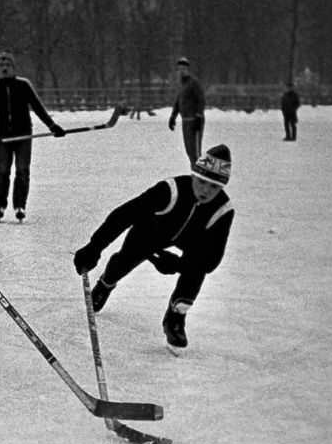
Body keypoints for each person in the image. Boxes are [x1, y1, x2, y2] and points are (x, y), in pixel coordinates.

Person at [73, 144, 235, 349]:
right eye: (202, 181)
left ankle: (176, 317)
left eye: (214, 186)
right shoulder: (171, 190)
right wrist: (94, 247)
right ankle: (106, 284)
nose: (205, 190)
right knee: (124, 260)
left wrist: (179, 265)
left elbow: (210, 260)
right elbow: (124, 216)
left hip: (190, 241)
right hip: (151, 232)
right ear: (193, 175)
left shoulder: (222, 210)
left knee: (196, 268)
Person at [0, 50, 65, 222]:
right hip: (3, 138)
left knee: (22, 170)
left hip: (24, 136)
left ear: (13, 67)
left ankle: (20, 205)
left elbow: (38, 107)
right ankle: (0, 205)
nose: (4, 68)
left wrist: (52, 126)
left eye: (8, 65)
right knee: (2, 170)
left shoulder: (23, 85)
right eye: (1, 65)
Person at [168, 57, 206, 165]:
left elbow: (201, 100)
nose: (181, 71)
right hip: (185, 121)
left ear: (187, 69)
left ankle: (201, 177)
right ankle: (194, 176)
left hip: (194, 121)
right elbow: (177, 102)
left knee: (195, 152)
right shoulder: (180, 85)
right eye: (179, 69)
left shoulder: (194, 83)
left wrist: (199, 116)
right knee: (189, 151)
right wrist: (173, 117)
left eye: (183, 69)